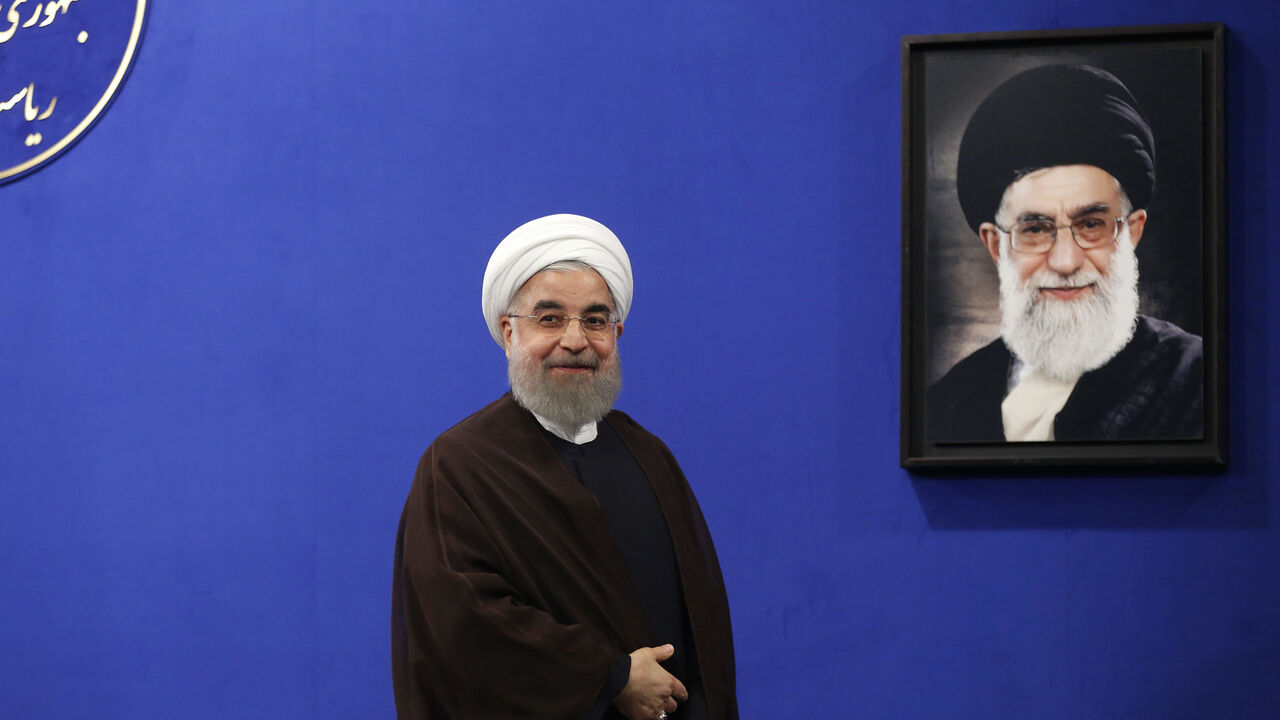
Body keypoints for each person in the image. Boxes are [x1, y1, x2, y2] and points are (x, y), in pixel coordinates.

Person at [392, 214, 737, 719]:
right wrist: (612, 678)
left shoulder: (649, 456)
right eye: (550, 319)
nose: (575, 340)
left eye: (595, 320)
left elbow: (700, 622)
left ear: (617, 333)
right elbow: (463, 624)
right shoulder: (462, 465)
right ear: (509, 331)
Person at [929, 64, 1203, 443]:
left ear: (1132, 232)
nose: (1065, 262)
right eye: (1035, 229)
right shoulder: (948, 402)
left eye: (1091, 225)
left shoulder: (1196, 380)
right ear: (995, 244)